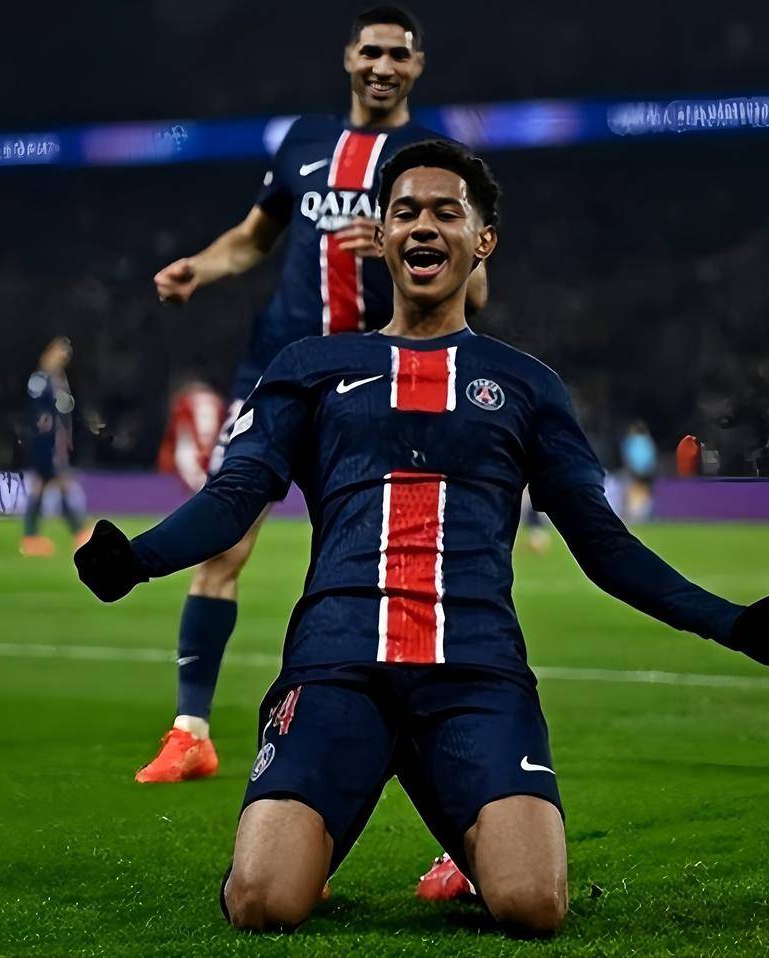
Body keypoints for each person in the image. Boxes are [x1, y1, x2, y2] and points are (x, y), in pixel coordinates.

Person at [75, 141, 769, 935]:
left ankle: (460, 821)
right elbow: (235, 496)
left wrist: (730, 622)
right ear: (380, 235)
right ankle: (326, 821)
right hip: (337, 667)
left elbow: (601, 542)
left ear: (482, 239)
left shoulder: (529, 386)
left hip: (475, 674)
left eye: (445, 212)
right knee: (262, 902)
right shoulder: (308, 366)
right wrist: (138, 559)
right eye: (405, 213)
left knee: (533, 906)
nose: (423, 226)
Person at [140, 5, 487, 783]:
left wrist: (400, 245)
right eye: (372, 51)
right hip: (279, 372)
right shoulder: (303, 141)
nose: (383, 66)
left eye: (398, 55)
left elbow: (479, 286)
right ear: (349, 57)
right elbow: (253, 238)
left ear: (417, 66)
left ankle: (422, 746)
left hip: (377, 384)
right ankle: (190, 731)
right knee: (224, 541)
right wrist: (199, 267)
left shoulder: (432, 161)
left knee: (382, 567)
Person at [20, 337, 90, 556]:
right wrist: (46, 444)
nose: (63, 358)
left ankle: (31, 538)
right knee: (61, 484)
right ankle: (79, 533)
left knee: (43, 487)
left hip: (56, 446)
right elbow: (39, 415)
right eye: (60, 353)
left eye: (66, 355)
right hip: (45, 446)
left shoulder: (58, 380)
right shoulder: (40, 380)